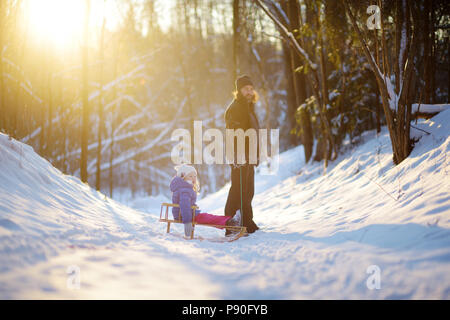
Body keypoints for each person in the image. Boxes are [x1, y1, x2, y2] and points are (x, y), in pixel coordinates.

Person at [224, 75, 260, 235]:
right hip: (240, 155)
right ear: (239, 90)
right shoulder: (236, 108)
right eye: (246, 89)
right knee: (237, 190)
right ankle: (231, 224)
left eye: (251, 89)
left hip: (249, 155)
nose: (250, 92)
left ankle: (247, 221)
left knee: (248, 190)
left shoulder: (248, 107)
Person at [170, 164, 240, 238]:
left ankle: (230, 221)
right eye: (190, 176)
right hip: (186, 216)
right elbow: (184, 206)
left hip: (188, 214)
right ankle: (230, 222)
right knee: (209, 218)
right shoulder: (185, 190)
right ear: (183, 177)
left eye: (195, 176)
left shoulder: (184, 187)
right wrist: (187, 222)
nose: (193, 178)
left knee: (209, 217)